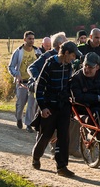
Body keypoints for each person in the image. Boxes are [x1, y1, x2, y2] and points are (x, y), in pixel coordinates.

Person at [31, 41, 81, 177]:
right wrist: (43, 107)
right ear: (65, 53)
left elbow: (67, 84)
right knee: (46, 136)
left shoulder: (69, 65)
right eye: (72, 55)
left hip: (63, 105)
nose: (73, 58)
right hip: (49, 106)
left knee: (64, 136)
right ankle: (36, 157)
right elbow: (39, 87)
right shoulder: (49, 64)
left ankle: (62, 167)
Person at [8, 31, 41, 131]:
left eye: (33, 39)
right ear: (24, 39)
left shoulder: (37, 52)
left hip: (32, 82)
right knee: (21, 103)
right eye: (29, 39)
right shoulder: (18, 52)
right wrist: (16, 75)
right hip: (21, 82)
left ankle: (28, 124)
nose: (31, 41)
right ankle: (18, 118)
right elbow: (11, 67)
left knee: (31, 104)